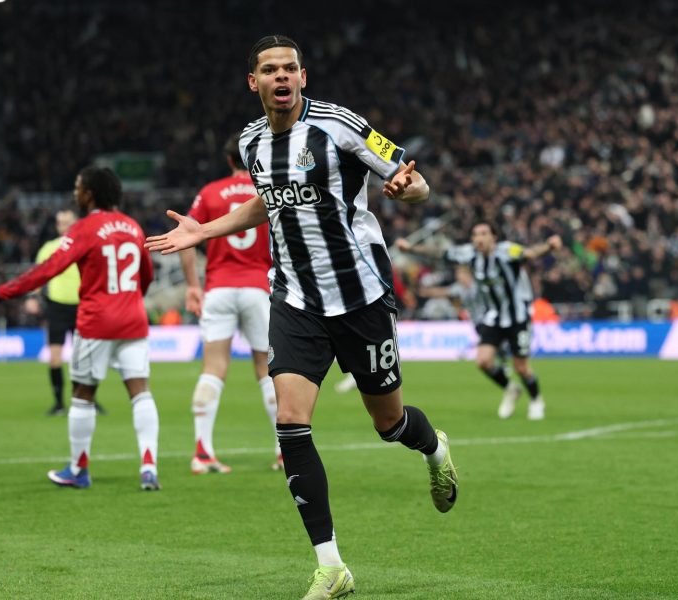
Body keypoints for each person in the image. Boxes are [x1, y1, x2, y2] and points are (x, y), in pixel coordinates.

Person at [146, 35, 458, 600]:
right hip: (294, 299)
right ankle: (331, 565)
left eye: (290, 68)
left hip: (361, 296)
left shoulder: (341, 125)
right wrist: (205, 230)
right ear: (255, 83)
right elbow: (265, 200)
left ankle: (433, 448)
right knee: (290, 420)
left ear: (303, 77)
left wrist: (410, 189)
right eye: (270, 70)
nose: (282, 76)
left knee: (389, 425)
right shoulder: (251, 142)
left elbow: (413, 181)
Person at [0, 166, 161, 491]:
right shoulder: (133, 226)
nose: (75, 193)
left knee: (83, 395)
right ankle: (148, 467)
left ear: (89, 193)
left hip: (96, 322)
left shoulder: (84, 229)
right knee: (140, 391)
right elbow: (146, 275)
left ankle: (78, 469)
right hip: (133, 320)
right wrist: (128, 302)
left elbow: (47, 270)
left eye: (78, 187)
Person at [179, 133, 281, 474]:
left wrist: (194, 286)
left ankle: (202, 452)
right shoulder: (268, 189)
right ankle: (285, 451)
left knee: (213, 368)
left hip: (219, 289)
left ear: (227, 160)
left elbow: (185, 238)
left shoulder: (209, 192)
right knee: (268, 371)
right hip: (257, 289)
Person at [396, 223, 562, 421]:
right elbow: (440, 253)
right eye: (475, 234)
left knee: (521, 368)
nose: (478, 239)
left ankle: (536, 401)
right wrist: (411, 248)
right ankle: (511, 388)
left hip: (518, 317)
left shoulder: (507, 251)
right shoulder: (469, 254)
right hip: (494, 316)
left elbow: (530, 254)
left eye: (484, 234)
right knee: (483, 361)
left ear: (494, 237)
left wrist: (549, 247)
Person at [34, 209, 104, 417]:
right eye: (59, 223)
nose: (63, 227)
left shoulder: (87, 244)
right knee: (55, 358)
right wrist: (32, 297)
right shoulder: (49, 248)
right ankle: (58, 403)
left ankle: (88, 400)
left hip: (83, 306)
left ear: (76, 224)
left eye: (67, 223)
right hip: (56, 307)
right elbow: (38, 275)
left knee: (85, 358)